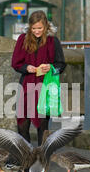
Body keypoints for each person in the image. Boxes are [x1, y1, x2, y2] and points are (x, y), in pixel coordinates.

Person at [11, 10, 66, 146]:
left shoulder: (53, 41)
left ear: (46, 26)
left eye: (40, 28)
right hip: (26, 85)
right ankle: (26, 159)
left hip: (45, 87)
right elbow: (15, 63)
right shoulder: (22, 39)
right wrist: (27, 68)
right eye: (34, 28)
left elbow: (61, 64)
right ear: (30, 27)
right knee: (22, 124)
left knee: (43, 126)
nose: (37, 31)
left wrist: (50, 67)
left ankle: (42, 160)